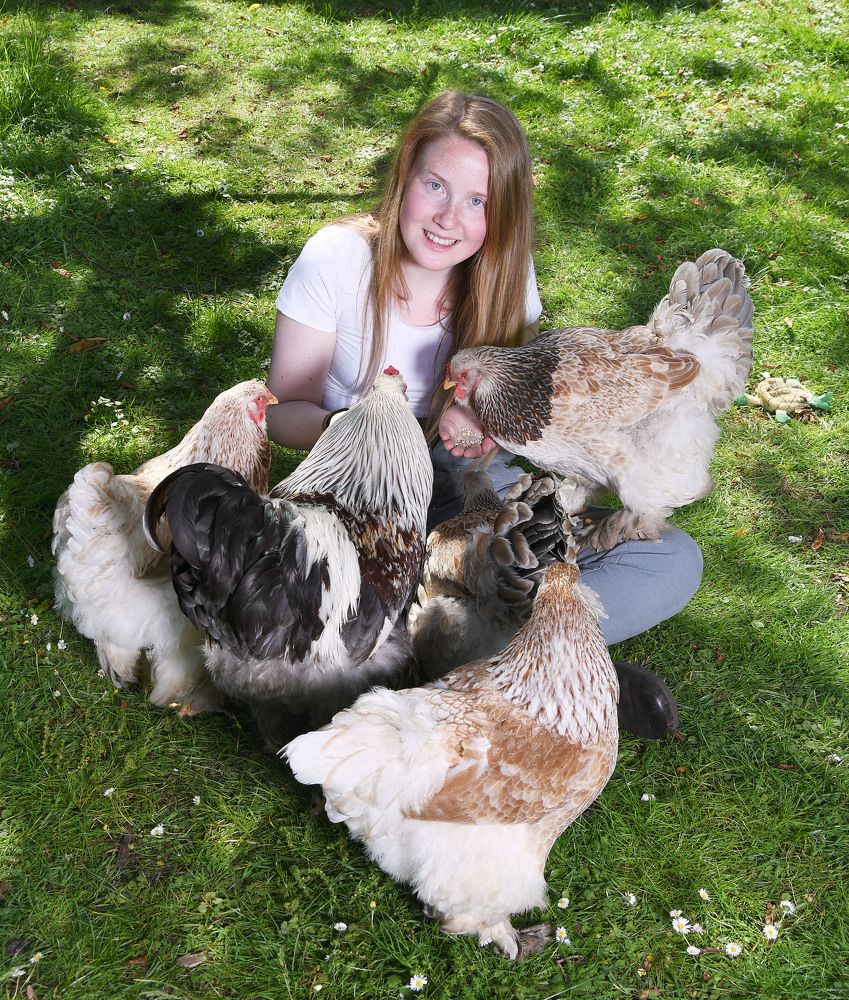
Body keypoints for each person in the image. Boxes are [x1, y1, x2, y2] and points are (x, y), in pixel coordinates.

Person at [266, 90, 699, 739]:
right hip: (363, 498)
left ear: (501, 211)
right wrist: (355, 430)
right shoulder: (338, 258)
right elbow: (279, 413)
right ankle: (542, 673)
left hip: (468, 490)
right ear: (403, 177)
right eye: (434, 185)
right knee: (320, 597)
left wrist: (483, 431)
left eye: (476, 201)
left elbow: (511, 413)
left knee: (672, 557)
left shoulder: (503, 274)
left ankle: (486, 661)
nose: (448, 217)